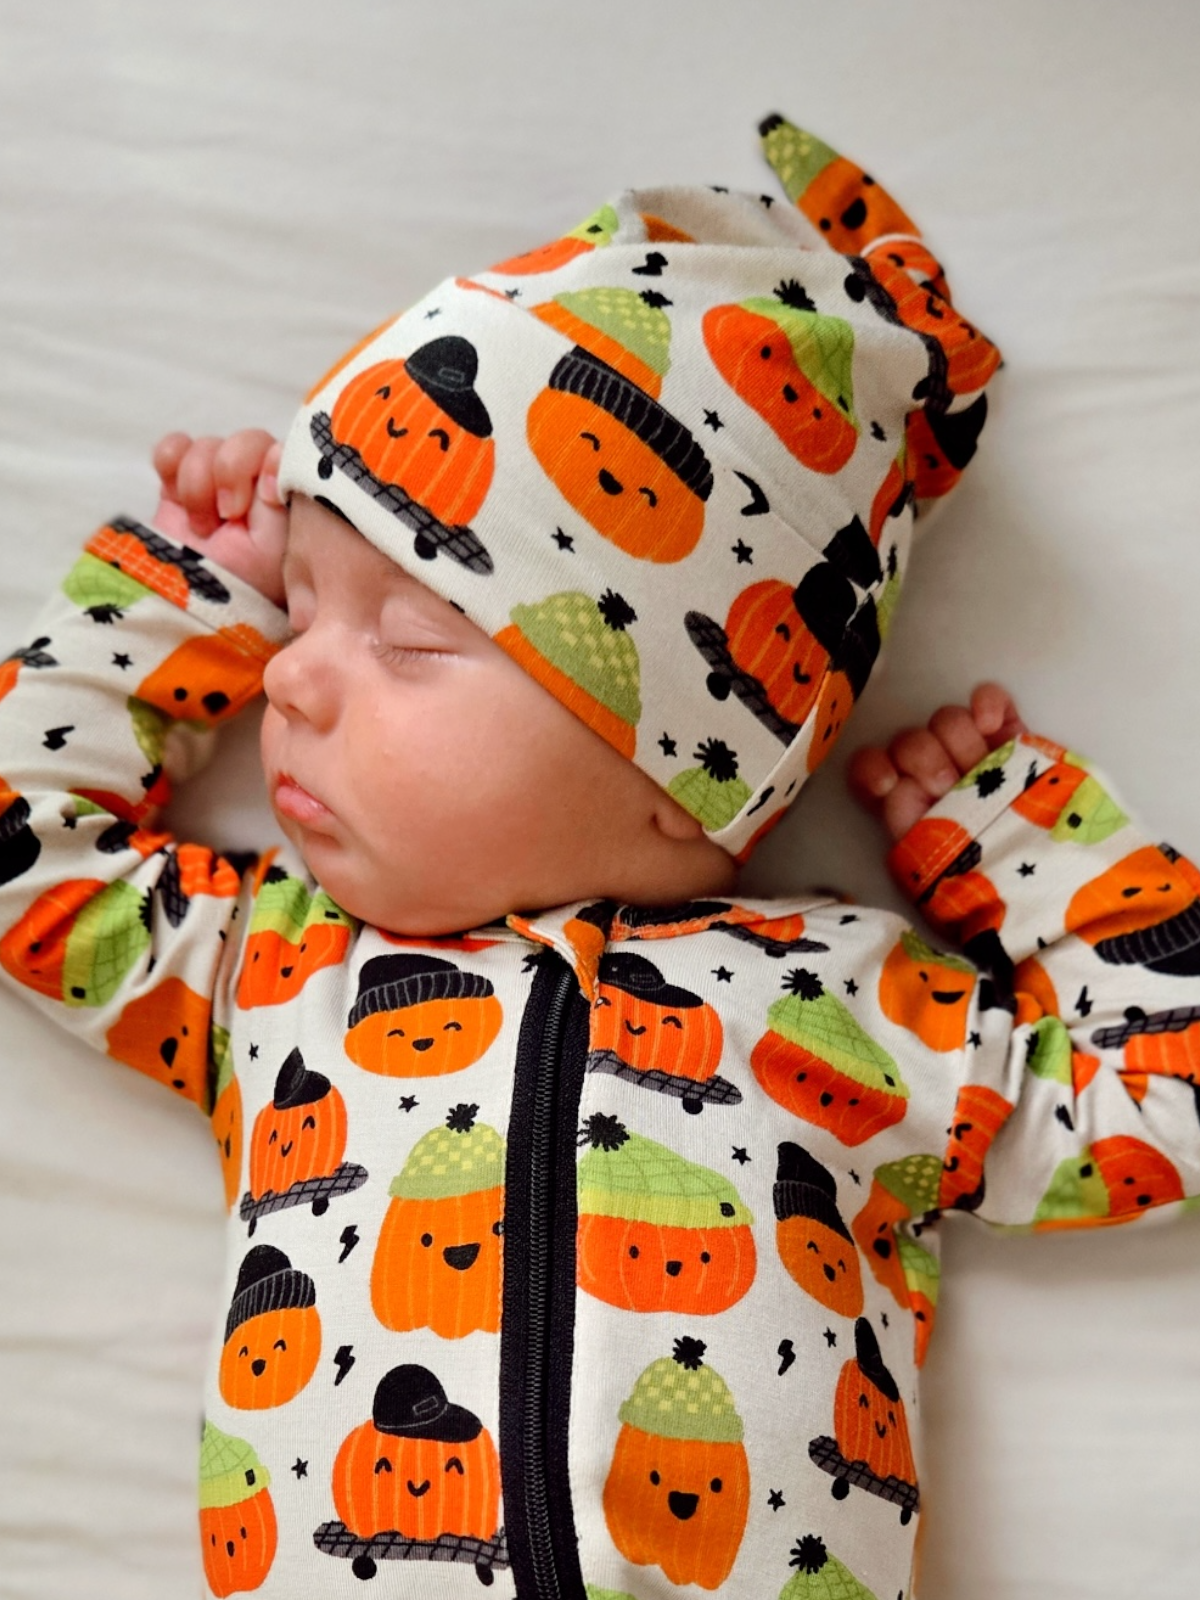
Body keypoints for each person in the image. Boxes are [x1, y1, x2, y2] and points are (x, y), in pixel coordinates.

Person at [0, 114, 1196, 1600]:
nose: (285, 682)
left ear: (686, 763)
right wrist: (187, 596)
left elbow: (1156, 1109)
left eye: (410, 635)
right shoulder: (275, 974)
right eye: (297, 609)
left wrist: (1022, 838)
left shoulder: (856, 1013)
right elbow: (27, 856)